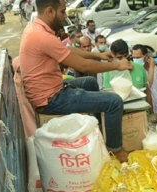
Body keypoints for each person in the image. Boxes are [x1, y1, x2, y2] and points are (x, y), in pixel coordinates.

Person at [20, 0, 134, 162]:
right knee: (114, 102)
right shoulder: (42, 36)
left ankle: (98, 131)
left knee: (90, 83)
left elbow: (66, 50)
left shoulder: (35, 29)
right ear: (50, 11)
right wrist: (117, 65)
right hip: (51, 99)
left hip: (51, 89)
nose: (65, 15)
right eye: (62, 11)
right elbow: (83, 65)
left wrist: (99, 55)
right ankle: (115, 151)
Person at [132, 44, 157, 113]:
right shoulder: (135, 70)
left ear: (145, 56)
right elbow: (148, 85)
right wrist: (151, 67)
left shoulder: (153, 67)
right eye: (134, 58)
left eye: (138, 58)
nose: (135, 60)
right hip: (147, 106)